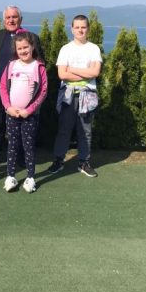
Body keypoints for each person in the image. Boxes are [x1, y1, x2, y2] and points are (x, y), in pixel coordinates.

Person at [0, 5, 44, 168]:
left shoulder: (32, 37)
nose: (11, 20)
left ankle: (21, 158)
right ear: (4, 20)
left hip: (23, 89)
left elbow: (41, 61)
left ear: (20, 19)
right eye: (8, 17)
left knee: (22, 122)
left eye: (14, 17)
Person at [47, 15, 102, 178]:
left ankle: (84, 162)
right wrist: (85, 73)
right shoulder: (66, 49)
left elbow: (95, 72)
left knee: (85, 131)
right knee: (64, 130)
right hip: (68, 96)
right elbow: (62, 74)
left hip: (88, 95)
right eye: (77, 27)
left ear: (88, 29)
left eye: (83, 27)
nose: (80, 30)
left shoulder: (94, 49)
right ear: (72, 29)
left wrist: (72, 69)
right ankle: (58, 160)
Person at [0, 31, 48, 193]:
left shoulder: (38, 66)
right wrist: (8, 107)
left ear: (32, 47)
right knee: (12, 146)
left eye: (26, 47)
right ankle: (10, 176)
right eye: (19, 48)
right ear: (16, 50)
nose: (23, 51)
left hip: (29, 116)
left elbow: (43, 91)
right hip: (12, 115)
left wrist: (29, 110)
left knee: (28, 147)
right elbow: (3, 88)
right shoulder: (11, 65)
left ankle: (30, 177)